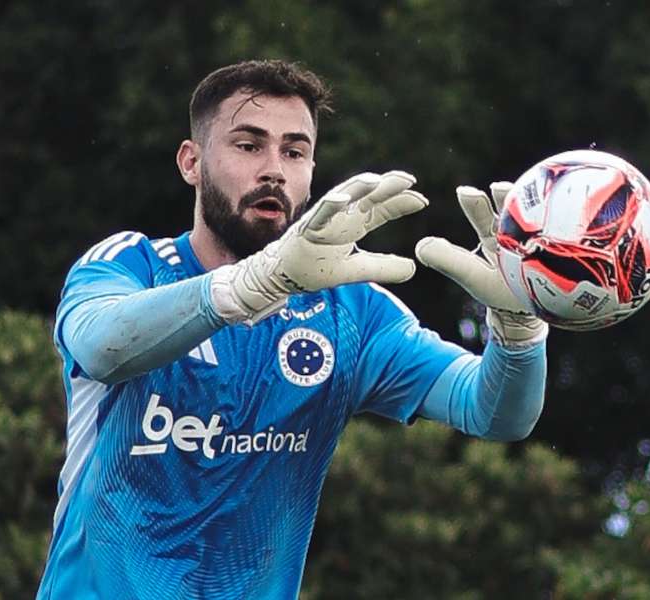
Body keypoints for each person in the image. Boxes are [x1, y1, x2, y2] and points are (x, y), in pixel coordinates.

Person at [37, 59, 548, 599]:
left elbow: (497, 413)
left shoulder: (352, 313)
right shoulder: (131, 265)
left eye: (294, 151)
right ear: (192, 162)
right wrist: (249, 286)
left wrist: (518, 335)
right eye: (248, 145)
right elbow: (100, 346)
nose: (274, 169)